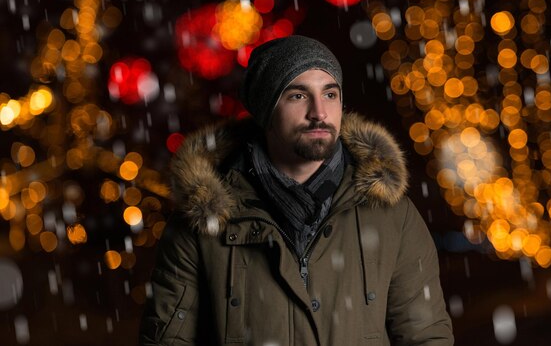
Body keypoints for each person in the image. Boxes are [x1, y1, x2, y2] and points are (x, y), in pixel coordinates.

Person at [139, 35, 454, 345]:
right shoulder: (200, 221)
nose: (319, 112)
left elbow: (426, 337)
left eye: (330, 95)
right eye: (298, 96)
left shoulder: (392, 216)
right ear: (266, 111)